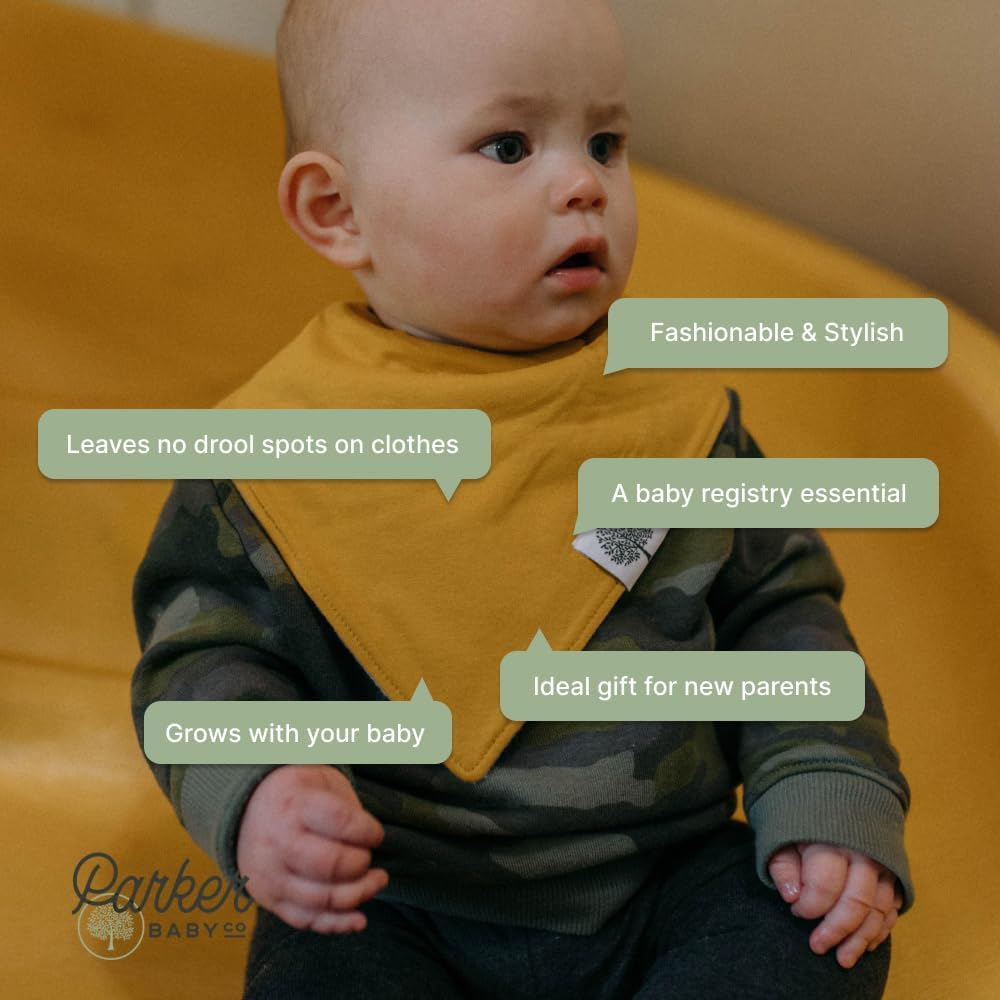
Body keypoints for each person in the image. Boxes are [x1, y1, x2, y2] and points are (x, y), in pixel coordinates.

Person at [131, 1, 912, 996]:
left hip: (663, 883)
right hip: (399, 896)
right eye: (508, 146)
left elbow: (784, 620)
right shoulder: (269, 456)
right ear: (339, 211)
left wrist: (827, 794)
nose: (585, 184)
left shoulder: (680, 426)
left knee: (817, 929)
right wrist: (261, 792)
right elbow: (201, 662)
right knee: (314, 966)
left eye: (606, 142)